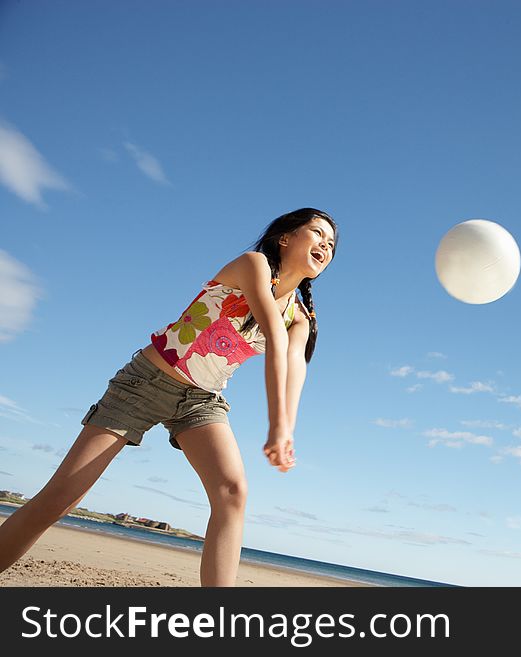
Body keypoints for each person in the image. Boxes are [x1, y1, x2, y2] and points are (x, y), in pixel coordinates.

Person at [0, 208, 338, 587]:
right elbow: (273, 339)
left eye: (331, 244)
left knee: (232, 493)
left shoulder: (299, 317)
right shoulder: (253, 264)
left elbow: (295, 368)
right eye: (317, 233)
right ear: (286, 237)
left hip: (200, 401)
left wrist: (286, 430)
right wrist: (276, 426)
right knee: (60, 499)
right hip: (145, 383)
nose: (325, 245)